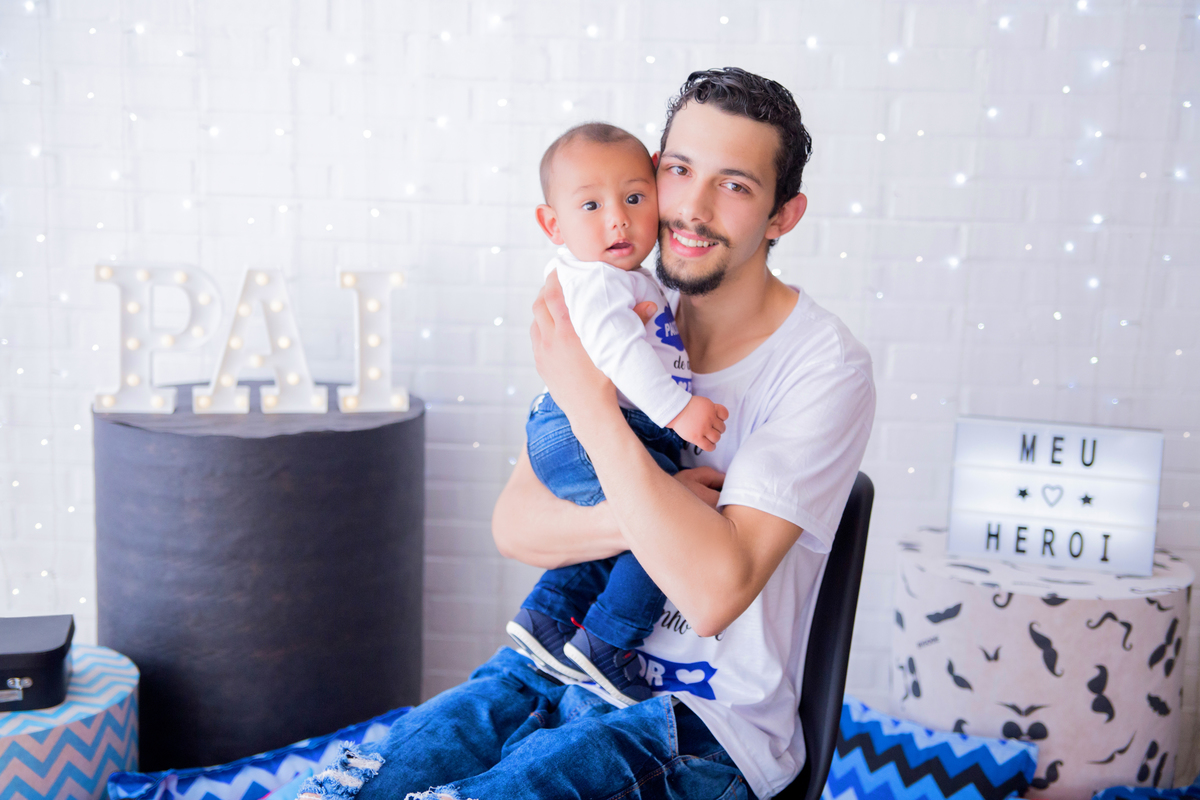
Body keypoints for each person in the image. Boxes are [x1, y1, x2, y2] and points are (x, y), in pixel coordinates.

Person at [299, 67, 875, 800]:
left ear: (782, 216)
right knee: (342, 791)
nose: (690, 209)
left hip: (697, 723)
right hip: (556, 665)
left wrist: (595, 409)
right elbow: (517, 525)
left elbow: (709, 591)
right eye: (678, 171)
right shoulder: (622, 303)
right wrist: (663, 502)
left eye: (733, 185)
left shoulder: (823, 365)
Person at [507, 120, 730, 707]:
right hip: (593, 424)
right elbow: (621, 354)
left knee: (622, 520)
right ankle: (609, 643)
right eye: (591, 205)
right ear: (552, 224)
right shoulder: (599, 281)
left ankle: (546, 619)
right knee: (660, 525)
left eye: (635, 198)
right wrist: (679, 411)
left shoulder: (623, 277)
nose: (618, 219)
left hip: (574, 426)